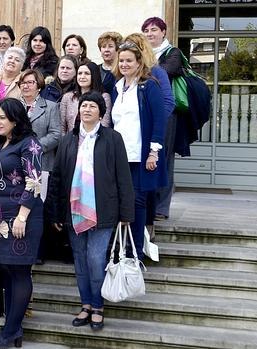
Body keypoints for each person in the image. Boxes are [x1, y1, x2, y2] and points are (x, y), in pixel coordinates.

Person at [49, 91, 135, 331]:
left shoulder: (113, 139)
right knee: (80, 262)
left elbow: (123, 177)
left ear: (100, 112)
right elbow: (57, 178)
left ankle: (97, 305)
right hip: (73, 211)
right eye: (83, 105)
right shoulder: (68, 140)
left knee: (95, 260)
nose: (86, 109)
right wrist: (55, 212)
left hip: (103, 211)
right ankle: (85, 304)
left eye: (92, 106)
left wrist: (126, 213)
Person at [0, 98, 43, 348]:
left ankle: (10, 332)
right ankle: (13, 328)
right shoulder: (2, 143)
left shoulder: (29, 143)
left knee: (19, 271)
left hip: (23, 217)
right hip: (0, 218)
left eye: (2, 118)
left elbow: (34, 181)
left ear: (15, 118)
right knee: (7, 271)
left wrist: (21, 216)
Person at [111, 41, 167, 260]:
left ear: (138, 62)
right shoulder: (117, 87)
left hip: (141, 155)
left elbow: (159, 120)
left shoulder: (149, 86)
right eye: (121, 60)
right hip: (119, 155)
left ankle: (135, 253)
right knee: (121, 202)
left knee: (138, 201)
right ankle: (120, 249)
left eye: (129, 61)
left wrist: (154, 152)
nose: (124, 64)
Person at [123, 32, 175, 240]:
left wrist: (153, 135)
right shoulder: (120, 83)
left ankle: (143, 234)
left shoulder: (154, 76)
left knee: (143, 194)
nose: (126, 60)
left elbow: (166, 104)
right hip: (124, 149)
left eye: (133, 48)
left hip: (145, 144)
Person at [142, 17, 184, 222]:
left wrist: (148, 67)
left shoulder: (173, 53)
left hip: (167, 114)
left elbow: (165, 72)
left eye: (154, 30)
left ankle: (162, 207)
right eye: (146, 31)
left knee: (164, 158)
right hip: (148, 115)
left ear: (164, 32)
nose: (150, 34)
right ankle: (150, 204)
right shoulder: (142, 56)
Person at [18, 69, 61, 199]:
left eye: (30, 82)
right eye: (22, 83)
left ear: (39, 86)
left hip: (42, 161)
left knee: (37, 201)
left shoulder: (51, 107)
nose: (26, 86)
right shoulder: (13, 105)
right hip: (16, 160)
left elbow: (56, 134)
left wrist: (34, 148)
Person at [59, 62, 112, 134]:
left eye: (87, 73)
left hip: (96, 141)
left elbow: (105, 124)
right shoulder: (68, 97)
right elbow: (62, 127)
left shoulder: (104, 97)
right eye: (80, 73)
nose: (82, 77)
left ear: (94, 76)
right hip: (71, 142)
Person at [97, 32, 123, 96]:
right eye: (103, 46)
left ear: (117, 49)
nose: (106, 50)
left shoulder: (122, 69)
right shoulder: (96, 69)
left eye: (110, 46)